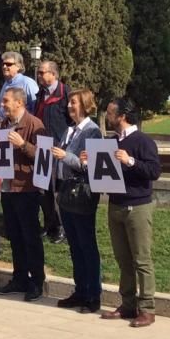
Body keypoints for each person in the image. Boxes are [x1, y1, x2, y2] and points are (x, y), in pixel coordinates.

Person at [99, 97, 161, 328]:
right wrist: (90, 162)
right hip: (115, 205)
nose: (107, 115)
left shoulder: (143, 141)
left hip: (138, 206)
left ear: (122, 116)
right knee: (123, 259)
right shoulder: (112, 141)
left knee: (141, 259)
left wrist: (131, 161)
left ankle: (147, 309)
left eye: (110, 112)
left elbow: (154, 171)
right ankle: (127, 304)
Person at [52, 89, 103, 313]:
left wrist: (65, 157)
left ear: (84, 104)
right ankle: (80, 289)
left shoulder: (92, 132)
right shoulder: (69, 130)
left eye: (73, 103)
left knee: (86, 244)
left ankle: (93, 294)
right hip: (66, 191)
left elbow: (89, 164)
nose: (69, 107)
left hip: (82, 192)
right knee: (74, 245)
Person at [0, 87, 47, 302]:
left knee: (30, 237)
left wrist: (23, 145)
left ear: (19, 102)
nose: (3, 105)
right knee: (14, 236)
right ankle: (19, 278)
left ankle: (36, 281)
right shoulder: (4, 124)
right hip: (8, 187)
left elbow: (44, 156)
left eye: (6, 101)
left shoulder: (34, 124)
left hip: (26, 189)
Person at [34, 60, 73, 245]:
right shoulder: (40, 95)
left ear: (54, 74)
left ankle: (62, 228)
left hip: (59, 149)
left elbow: (73, 122)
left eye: (43, 72)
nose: (40, 75)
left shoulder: (65, 94)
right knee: (43, 190)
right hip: (42, 147)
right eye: (39, 72)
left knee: (59, 189)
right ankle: (49, 224)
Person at [0, 51, 39, 116]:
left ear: (18, 66)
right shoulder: (5, 84)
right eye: (3, 64)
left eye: (8, 64)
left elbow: (35, 108)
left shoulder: (27, 83)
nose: (4, 67)